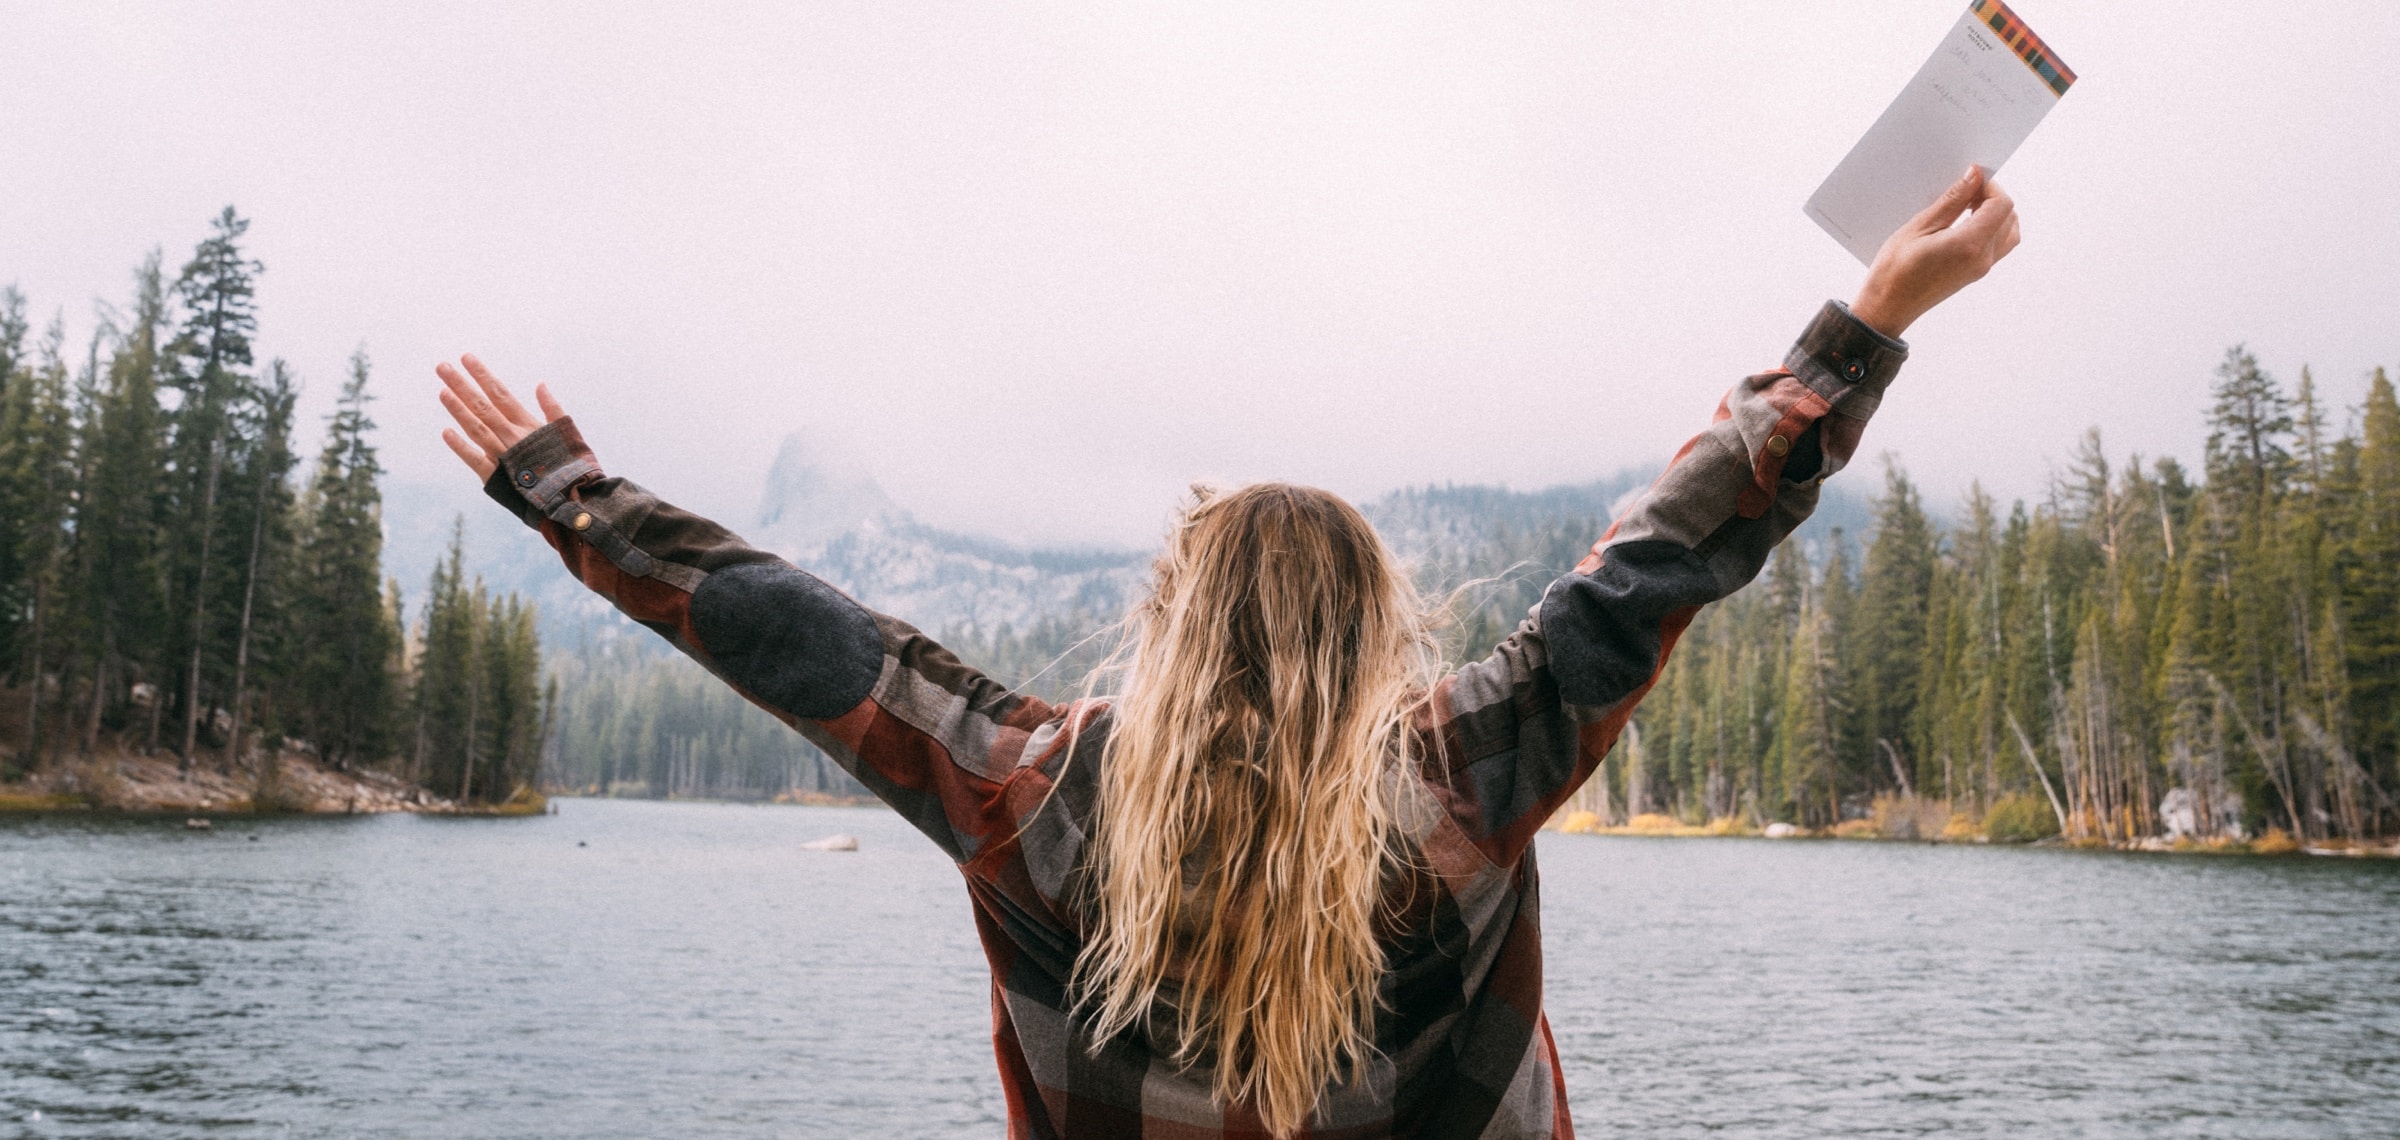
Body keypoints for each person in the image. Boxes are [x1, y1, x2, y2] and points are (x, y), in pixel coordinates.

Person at [437, 167, 2020, 1139]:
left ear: (1166, 626)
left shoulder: (1032, 792)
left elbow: (802, 635)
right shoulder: (1467, 768)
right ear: (1379, 636)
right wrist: (1869, 317)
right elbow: (1663, 558)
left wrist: (568, 491)